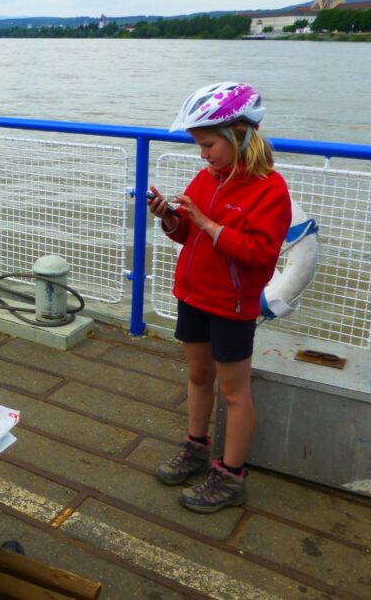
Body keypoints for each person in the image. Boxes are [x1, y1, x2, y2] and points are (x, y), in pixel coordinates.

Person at [148, 82, 291, 513]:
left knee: (234, 392)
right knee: (196, 376)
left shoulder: (270, 190)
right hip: (193, 295)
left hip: (231, 306)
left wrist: (208, 223)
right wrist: (170, 219)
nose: (203, 155)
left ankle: (230, 476)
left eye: (209, 145)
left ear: (239, 135)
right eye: (200, 146)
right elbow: (188, 236)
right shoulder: (207, 177)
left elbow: (259, 253)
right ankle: (196, 446)